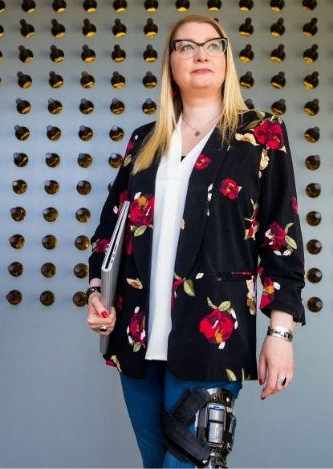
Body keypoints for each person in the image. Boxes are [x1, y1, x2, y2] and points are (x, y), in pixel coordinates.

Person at [85, 14, 306, 468]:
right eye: (185, 46)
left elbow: (280, 239)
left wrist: (280, 333)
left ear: (227, 59)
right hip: (137, 340)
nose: (200, 54)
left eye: (212, 45)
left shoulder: (261, 135)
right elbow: (110, 231)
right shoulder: (144, 141)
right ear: (170, 63)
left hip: (213, 337)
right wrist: (96, 294)